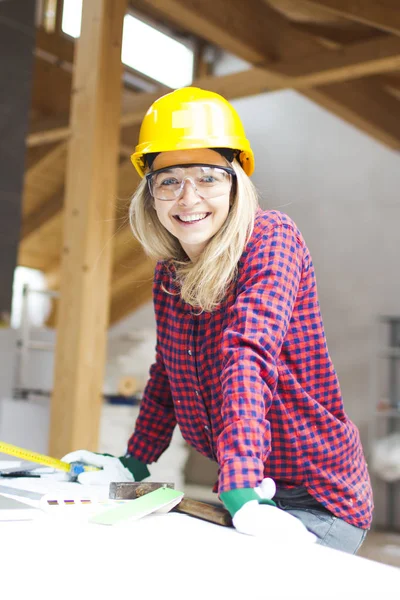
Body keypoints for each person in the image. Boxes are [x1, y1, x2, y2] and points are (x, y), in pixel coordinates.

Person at [63, 87, 373, 552]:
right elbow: (167, 374)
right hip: (252, 494)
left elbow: (247, 355)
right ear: (150, 193)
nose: (187, 198)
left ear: (235, 182)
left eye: (208, 177)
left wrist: (241, 488)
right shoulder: (170, 274)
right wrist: (135, 462)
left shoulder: (272, 239)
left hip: (318, 498)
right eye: (168, 180)